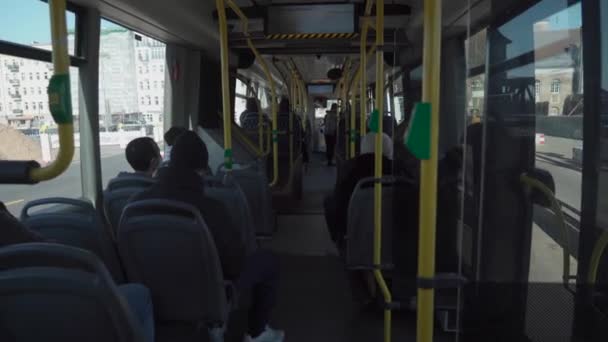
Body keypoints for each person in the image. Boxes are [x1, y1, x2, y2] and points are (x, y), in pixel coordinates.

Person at [129, 131, 284, 342]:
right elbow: (235, 265)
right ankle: (257, 332)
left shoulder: (136, 205)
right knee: (268, 261)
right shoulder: (210, 209)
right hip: (206, 297)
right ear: (201, 170)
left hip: (154, 292)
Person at [0, 201, 155, 342]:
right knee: (139, 294)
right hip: (51, 307)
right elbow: (53, 255)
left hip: (19, 319)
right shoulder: (6, 226)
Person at [323, 132, 395, 251]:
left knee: (328, 201)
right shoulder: (396, 169)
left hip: (354, 224)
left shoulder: (350, 167)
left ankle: (341, 240)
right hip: (391, 228)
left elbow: (339, 199)